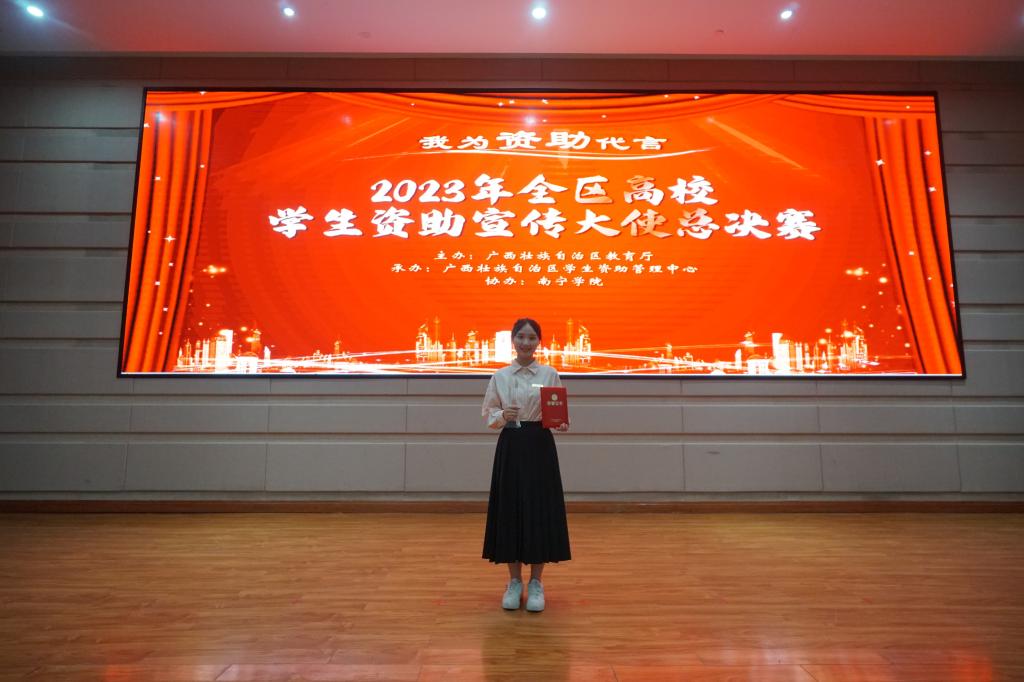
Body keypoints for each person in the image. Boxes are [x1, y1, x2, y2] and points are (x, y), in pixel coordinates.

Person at [481, 317, 571, 612]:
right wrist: (502, 415)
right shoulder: (500, 376)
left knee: (538, 509)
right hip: (511, 444)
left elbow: (558, 411)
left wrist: (560, 423)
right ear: (513, 340)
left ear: (538, 342)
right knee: (511, 509)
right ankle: (514, 581)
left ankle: (536, 582)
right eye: (521, 337)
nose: (526, 343)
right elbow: (489, 415)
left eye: (532, 338)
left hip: (540, 445)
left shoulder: (549, 373)